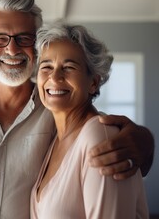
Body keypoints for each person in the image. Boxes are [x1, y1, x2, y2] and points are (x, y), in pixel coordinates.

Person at [0, 0, 154, 219]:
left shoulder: (56, 105)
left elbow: (98, 135)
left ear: (37, 45)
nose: (12, 49)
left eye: (24, 38)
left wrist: (146, 141)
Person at [30, 20, 149, 218]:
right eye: (46, 67)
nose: (55, 77)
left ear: (93, 83)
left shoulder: (100, 137)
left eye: (68, 67)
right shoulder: (54, 139)